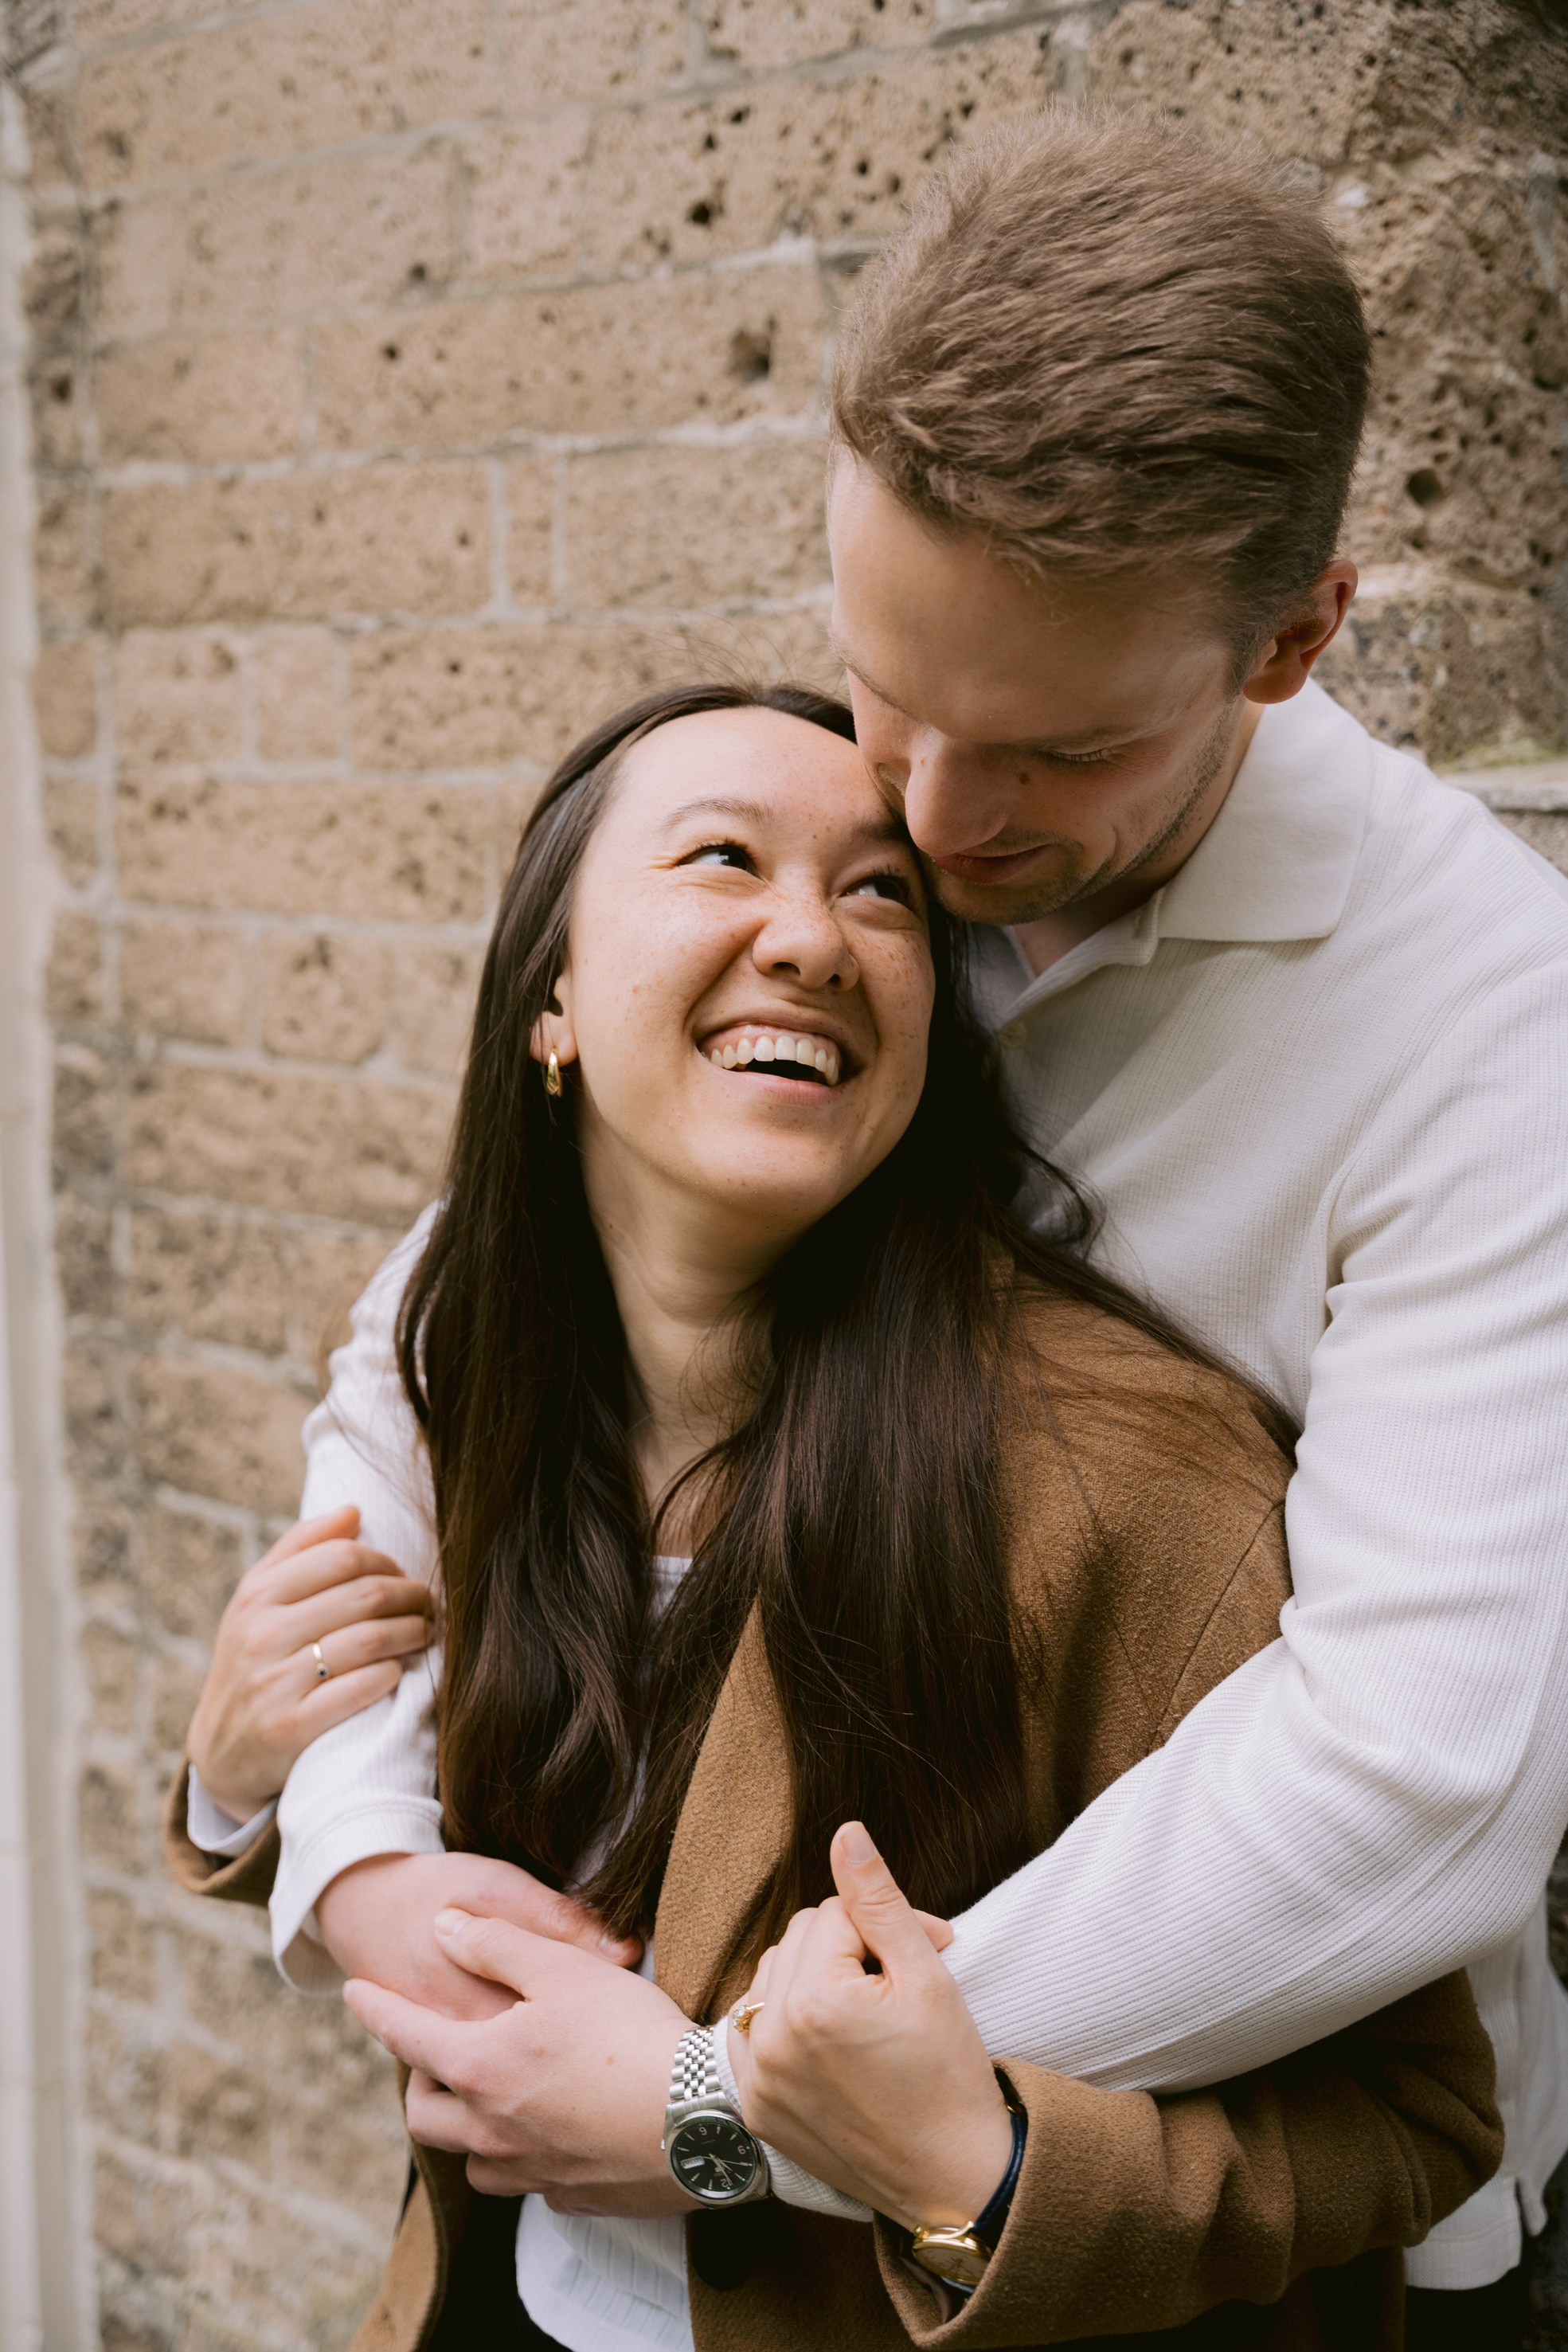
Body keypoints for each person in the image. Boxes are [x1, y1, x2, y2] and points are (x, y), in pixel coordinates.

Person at [171, 107, 1568, 2346]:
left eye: (1044, 755)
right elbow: (472, 1297)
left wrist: (744, 2087)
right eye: (883, 685)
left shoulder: (1493, 1027)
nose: (920, 817)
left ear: (1293, 638)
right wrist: (327, 1825)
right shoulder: (883, 796)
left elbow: (1415, 1774)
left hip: (1205, 2179)